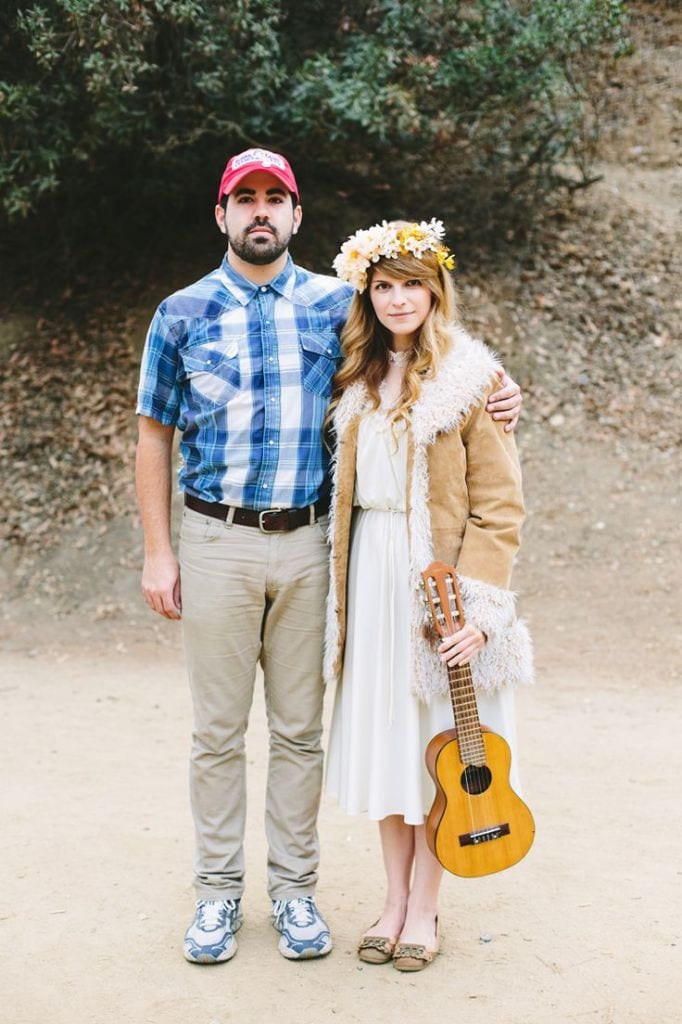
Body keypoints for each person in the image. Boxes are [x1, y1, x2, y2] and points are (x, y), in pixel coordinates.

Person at [135, 148, 523, 965]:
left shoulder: (330, 308)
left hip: (326, 548)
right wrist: (159, 551)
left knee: (303, 731)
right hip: (224, 542)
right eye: (246, 200)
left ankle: (297, 895)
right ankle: (217, 895)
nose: (261, 212)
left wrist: (500, 386)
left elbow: (436, 360)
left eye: (277, 198)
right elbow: (152, 433)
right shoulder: (183, 313)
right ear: (222, 214)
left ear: (298, 215)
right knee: (220, 731)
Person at [324, 218, 533, 971]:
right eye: (384, 285)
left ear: (435, 289)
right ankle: (389, 898)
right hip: (369, 582)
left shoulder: (471, 378)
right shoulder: (352, 375)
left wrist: (480, 612)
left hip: (436, 587)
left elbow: (499, 507)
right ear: (368, 295)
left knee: (437, 749)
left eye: (412, 283)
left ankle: (425, 907)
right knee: (388, 747)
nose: (399, 298)